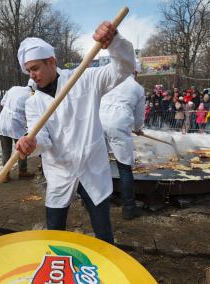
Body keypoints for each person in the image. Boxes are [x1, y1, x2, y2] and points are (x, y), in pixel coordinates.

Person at [15, 21, 135, 243]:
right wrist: (32, 144)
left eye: (35, 68)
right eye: (28, 70)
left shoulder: (84, 79)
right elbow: (41, 137)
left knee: (103, 233)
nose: (32, 75)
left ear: (51, 61)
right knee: (55, 232)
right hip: (60, 172)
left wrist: (114, 42)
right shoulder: (33, 104)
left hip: (91, 167)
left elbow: (124, 68)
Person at [99, 60, 145, 220]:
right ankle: (129, 208)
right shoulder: (137, 88)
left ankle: (96, 200)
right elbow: (139, 116)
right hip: (118, 124)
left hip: (98, 121)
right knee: (124, 167)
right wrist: (138, 128)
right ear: (136, 72)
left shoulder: (111, 82)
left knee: (99, 164)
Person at [0, 81, 36, 182]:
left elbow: (2, 102)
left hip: (3, 121)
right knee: (21, 148)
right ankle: (22, 171)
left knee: (6, 151)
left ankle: (5, 175)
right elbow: (30, 113)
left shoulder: (14, 88)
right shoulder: (32, 96)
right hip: (17, 123)